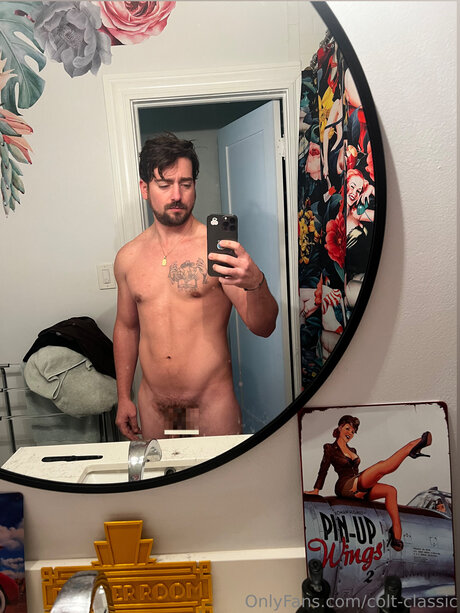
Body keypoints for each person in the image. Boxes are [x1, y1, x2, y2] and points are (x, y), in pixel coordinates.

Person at [113, 133, 278, 441]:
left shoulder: (218, 250)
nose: (177, 195)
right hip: (156, 409)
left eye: (186, 184)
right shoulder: (128, 258)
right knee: (167, 475)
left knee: (220, 476)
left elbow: (264, 326)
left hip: (211, 407)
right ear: (144, 189)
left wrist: (257, 283)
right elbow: (126, 327)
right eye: (165, 184)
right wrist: (124, 396)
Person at [305, 415, 432, 552]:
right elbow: (323, 468)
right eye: (347, 429)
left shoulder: (353, 450)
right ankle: (412, 446)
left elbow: (356, 472)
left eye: (353, 431)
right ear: (340, 428)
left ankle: (396, 535)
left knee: (391, 490)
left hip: (358, 483)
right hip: (345, 485)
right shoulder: (330, 448)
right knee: (382, 466)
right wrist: (316, 489)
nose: (350, 433)